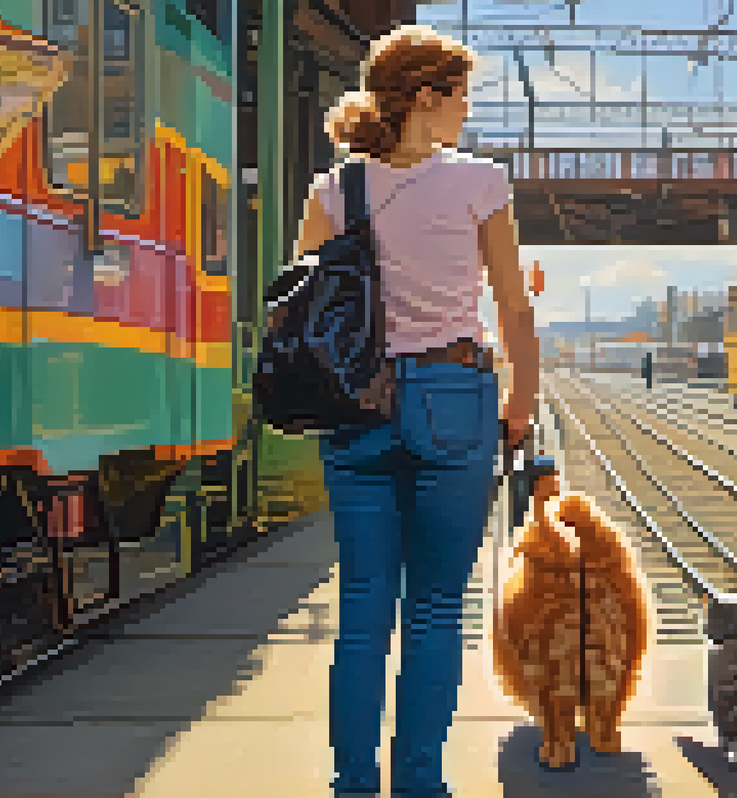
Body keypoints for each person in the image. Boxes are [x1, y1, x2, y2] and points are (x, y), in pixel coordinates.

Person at [287, 25, 538, 797]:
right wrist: (522, 396)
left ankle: (352, 783)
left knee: (363, 609)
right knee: (434, 608)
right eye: (460, 97)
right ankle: (420, 785)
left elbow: (301, 308)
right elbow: (508, 304)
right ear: (427, 98)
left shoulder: (334, 191)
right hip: (454, 399)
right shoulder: (479, 184)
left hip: (356, 406)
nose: (466, 112)